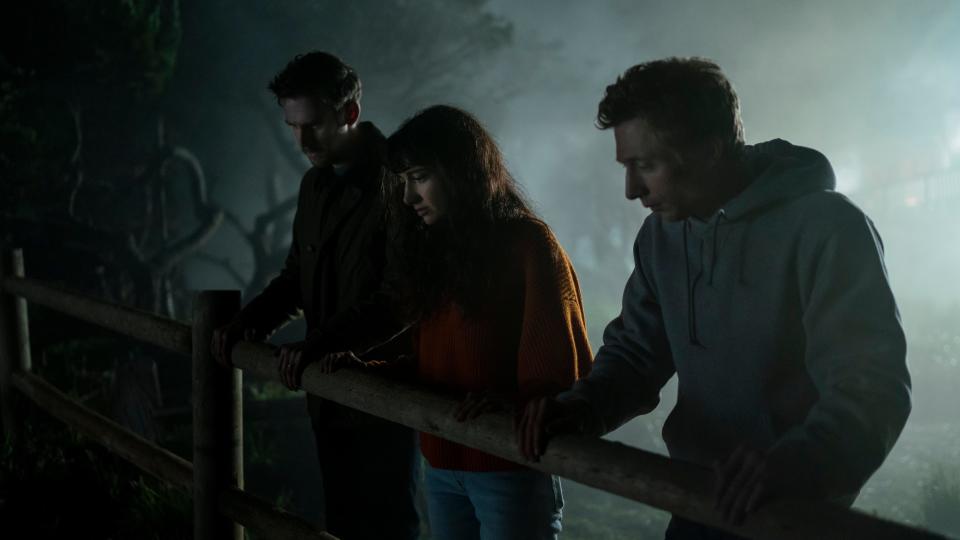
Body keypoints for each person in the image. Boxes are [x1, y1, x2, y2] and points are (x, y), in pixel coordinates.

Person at [518, 57, 912, 539]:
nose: (631, 189)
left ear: (709, 150)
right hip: (694, 502)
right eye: (626, 166)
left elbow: (872, 386)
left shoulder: (829, 229)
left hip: (795, 515)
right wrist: (576, 409)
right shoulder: (661, 237)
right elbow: (636, 357)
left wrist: (797, 464)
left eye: (647, 165)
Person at [326, 104, 593, 539]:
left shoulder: (527, 244)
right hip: (443, 463)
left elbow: (559, 370)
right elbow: (434, 361)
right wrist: (364, 370)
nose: (409, 197)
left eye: (420, 177)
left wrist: (514, 403)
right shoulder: (436, 252)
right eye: (405, 181)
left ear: (461, 171)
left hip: (508, 466)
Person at [209, 52, 419, 539]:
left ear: (349, 113)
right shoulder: (314, 185)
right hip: (326, 393)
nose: (302, 140)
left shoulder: (398, 182)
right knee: (342, 523)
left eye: (314, 125)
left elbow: (402, 296)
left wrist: (318, 343)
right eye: (292, 126)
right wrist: (248, 323)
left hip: (383, 390)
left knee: (390, 526)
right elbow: (296, 277)